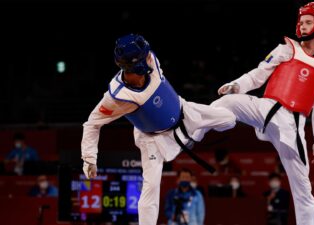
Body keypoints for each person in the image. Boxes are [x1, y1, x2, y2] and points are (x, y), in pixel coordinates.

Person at [80, 34, 236, 225]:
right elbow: (92, 124)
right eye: (142, 63)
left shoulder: (150, 59)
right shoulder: (117, 97)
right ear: (130, 67)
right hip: (152, 139)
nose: (147, 62)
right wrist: (89, 159)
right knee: (151, 186)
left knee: (229, 119)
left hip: (183, 112)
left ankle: (197, 133)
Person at [214, 2, 314, 225]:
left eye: (309, 22)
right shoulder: (286, 49)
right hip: (266, 109)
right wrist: (236, 85)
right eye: (301, 22)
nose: (304, 26)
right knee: (227, 101)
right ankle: (185, 125)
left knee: (303, 191)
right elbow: (258, 75)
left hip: (293, 126)